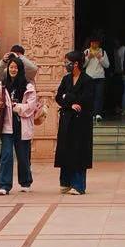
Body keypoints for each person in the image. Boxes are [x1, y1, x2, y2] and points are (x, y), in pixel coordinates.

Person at [0, 51, 38, 195]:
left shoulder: (28, 86)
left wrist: (17, 107)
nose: (13, 69)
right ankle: (4, 185)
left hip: (22, 125)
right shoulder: (3, 84)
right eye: (11, 67)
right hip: (7, 125)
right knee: (6, 155)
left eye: (16, 67)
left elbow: (31, 106)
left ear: (20, 69)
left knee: (23, 156)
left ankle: (25, 182)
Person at [55, 49, 93, 194]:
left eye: (68, 62)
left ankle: (78, 185)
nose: (66, 65)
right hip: (67, 119)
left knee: (79, 151)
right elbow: (59, 97)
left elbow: (86, 99)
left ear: (76, 63)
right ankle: (66, 182)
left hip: (81, 121)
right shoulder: (66, 79)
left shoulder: (87, 80)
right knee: (65, 150)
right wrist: (70, 102)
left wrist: (68, 96)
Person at [83, 33, 110, 121]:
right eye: (92, 42)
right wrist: (88, 58)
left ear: (98, 43)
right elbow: (82, 65)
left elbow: (107, 65)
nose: (94, 44)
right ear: (90, 43)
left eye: (96, 43)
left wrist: (100, 58)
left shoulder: (102, 52)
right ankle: (91, 114)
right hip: (89, 77)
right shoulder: (86, 52)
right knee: (90, 96)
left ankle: (98, 113)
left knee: (99, 96)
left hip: (100, 77)